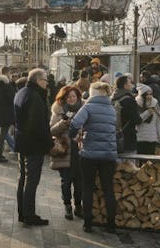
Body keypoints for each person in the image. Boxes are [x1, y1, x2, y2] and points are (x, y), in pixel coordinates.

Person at [69, 81, 118, 234]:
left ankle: (88, 223)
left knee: (88, 188)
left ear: (92, 93)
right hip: (109, 154)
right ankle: (111, 224)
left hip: (89, 153)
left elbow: (75, 124)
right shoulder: (112, 108)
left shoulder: (88, 107)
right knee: (108, 189)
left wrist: (75, 137)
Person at [14, 68, 54, 226]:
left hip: (22, 142)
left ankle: (23, 213)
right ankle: (29, 215)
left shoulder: (21, 92)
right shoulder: (35, 96)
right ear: (38, 80)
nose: (47, 83)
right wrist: (49, 144)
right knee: (31, 181)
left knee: (23, 179)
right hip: (33, 145)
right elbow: (38, 125)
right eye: (45, 80)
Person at [50, 85, 83, 220]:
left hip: (80, 149)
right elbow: (51, 130)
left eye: (74, 96)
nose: (71, 99)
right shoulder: (58, 111)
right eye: (68, 97)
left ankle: (78, 206)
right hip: (64, 150)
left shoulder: (84, 109)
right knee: (66, 181)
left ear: (78, 97)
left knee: (79, 181)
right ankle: (67, 206)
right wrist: (63, 123)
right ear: (63, 98)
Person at [112, 74, 141, 157]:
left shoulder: (112, 99)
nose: (132, 85)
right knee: (129, 163)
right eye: (130, 83)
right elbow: (136, 119)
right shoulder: (129, 100)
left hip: (113, 137)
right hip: (128, 137)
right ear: (125, 85)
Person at [136, 83, 160, 155]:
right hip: (140, 139)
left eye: (150, 94)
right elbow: (137, 120)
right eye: (147, 94)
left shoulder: (155, 105)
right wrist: (148, 112)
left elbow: (158, 124)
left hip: (152, 139)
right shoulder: (136, 105)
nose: (149, 96)